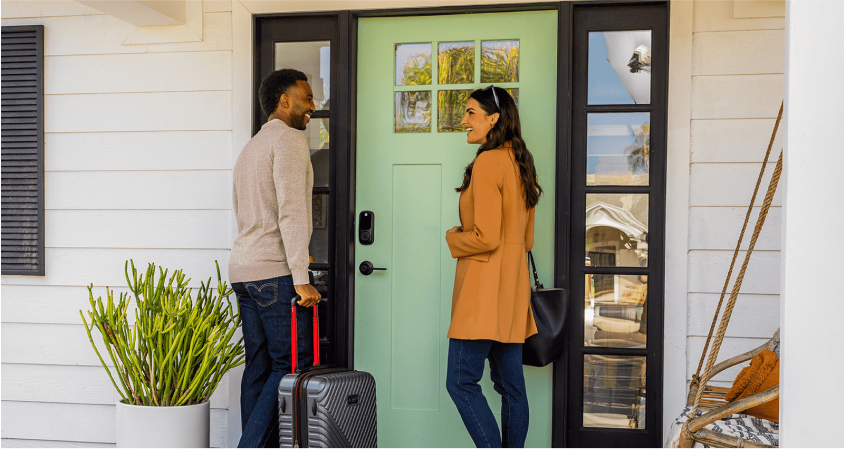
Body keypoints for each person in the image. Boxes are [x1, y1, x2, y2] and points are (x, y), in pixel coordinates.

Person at [445, 86, 542, 449]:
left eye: (471, 112)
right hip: (511, 294)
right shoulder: (522, 162)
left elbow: (485, 238)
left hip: (481, 294)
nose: (464, 120)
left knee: (460, 381)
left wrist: (454, 237)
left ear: (493, 118)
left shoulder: (488, 162)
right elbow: (526, 241)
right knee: (512, 388)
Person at [229, 68, 322, 449]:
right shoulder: (288, 140)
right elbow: (291, 211)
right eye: (307, 98)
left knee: (259, 367)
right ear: (285, 100)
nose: (313, 107)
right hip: (274, 273)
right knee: (286, 367)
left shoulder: (251, 147)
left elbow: (254, 212)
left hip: (244, 270)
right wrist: (301, 275)